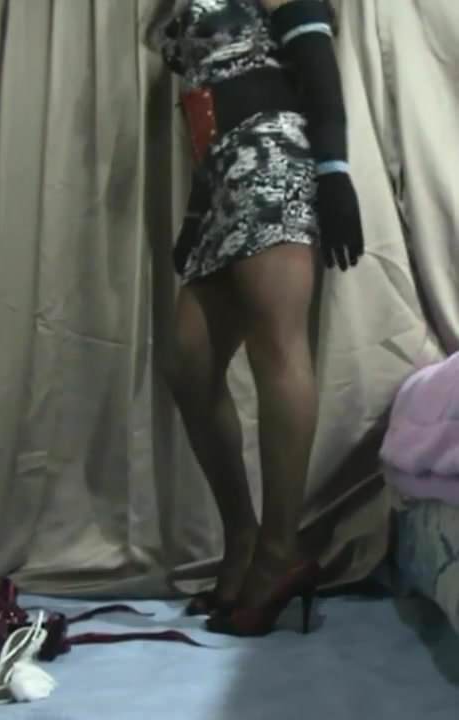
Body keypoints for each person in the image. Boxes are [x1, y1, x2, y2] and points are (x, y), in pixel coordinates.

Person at [150, 0, 365, 636]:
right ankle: (243, 540)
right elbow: (207, 109)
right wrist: (197, 215)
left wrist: (334, 172)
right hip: (221, 178)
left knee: (278, 348)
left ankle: (278, 556)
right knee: (188, 363)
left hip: (272, 160)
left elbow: (315, 65)